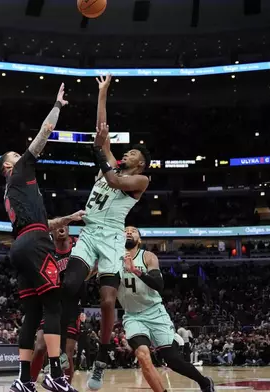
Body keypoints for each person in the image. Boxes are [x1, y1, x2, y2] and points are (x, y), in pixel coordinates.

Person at [61, 74, 151, 390]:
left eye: (133, 156)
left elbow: (113, 181)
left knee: (108, 302)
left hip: (112, 237)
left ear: (140, 165)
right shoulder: (110, 163)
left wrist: (99, 152)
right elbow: (102, 133)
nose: (127, 155)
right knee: (68, 284)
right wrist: (102, 93)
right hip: (89, 233)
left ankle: (101, 359)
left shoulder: (140, 182)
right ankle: (61, 350)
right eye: (127, 153)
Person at [0, 83, 84, 392]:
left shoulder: (11, 192)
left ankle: (23, 379)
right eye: (16, 155)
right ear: (9, 165)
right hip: (34, 244)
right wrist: (57, 106)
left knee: (31, 314)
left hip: (21, 245)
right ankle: (56, 375)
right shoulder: (20, 170)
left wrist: (69, 219)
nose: (22, 155)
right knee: (53, 306)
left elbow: (41, 223)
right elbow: (44, 133)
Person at [118, 227, 215, 392]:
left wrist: (135, 271)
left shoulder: (148, 257)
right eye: (125, 230)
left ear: (139, 240)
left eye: (133, 231)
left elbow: (159, 285)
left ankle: (204, 382)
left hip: (154, 312)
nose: (128, 232)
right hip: (132, 315)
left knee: (173, 360)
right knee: (142, 355)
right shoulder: (113, 259)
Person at [30, 224, 88, 384]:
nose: (61, 228)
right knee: (41, 347)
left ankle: (65, 386)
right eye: (57, 226)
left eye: (64, 226)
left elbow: (92, 269)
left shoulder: (79, 247)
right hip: (51, 304)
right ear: (52, 231)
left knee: (67, 354)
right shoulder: (46, 250)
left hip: (72, 307)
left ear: (69, 230)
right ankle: (28, 384)